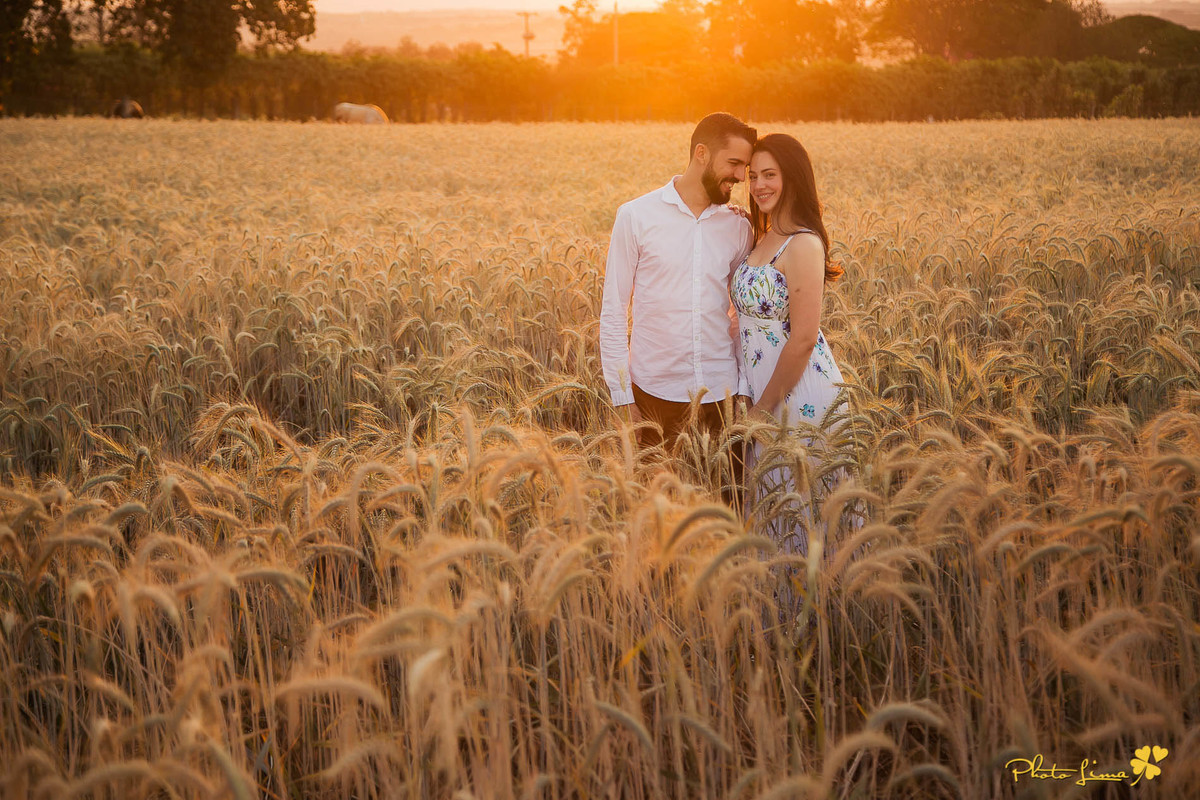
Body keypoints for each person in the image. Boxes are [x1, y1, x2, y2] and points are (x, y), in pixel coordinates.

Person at [599, 113, 757, 497]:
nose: (741, 176)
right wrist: (623, 398)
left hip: (722, 397)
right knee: (660, 522)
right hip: (655, 395)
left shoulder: (739, 226)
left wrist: (745, 389)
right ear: (701, 153)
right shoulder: (636, 216)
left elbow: (741, 314)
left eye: (745, 167)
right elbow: (614, 310)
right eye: (733, 163)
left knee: (726, 510)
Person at [731, 133, 847, 555]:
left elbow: (801, 340)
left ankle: (817, 618)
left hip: (799, 398)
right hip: (762, 393)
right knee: (771, 518)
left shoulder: (803, 243)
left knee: (800, 518)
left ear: (792, 178)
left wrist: (759, 414)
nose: (759, 185)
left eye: (770, 175)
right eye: (753, 176)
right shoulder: (762, 236)